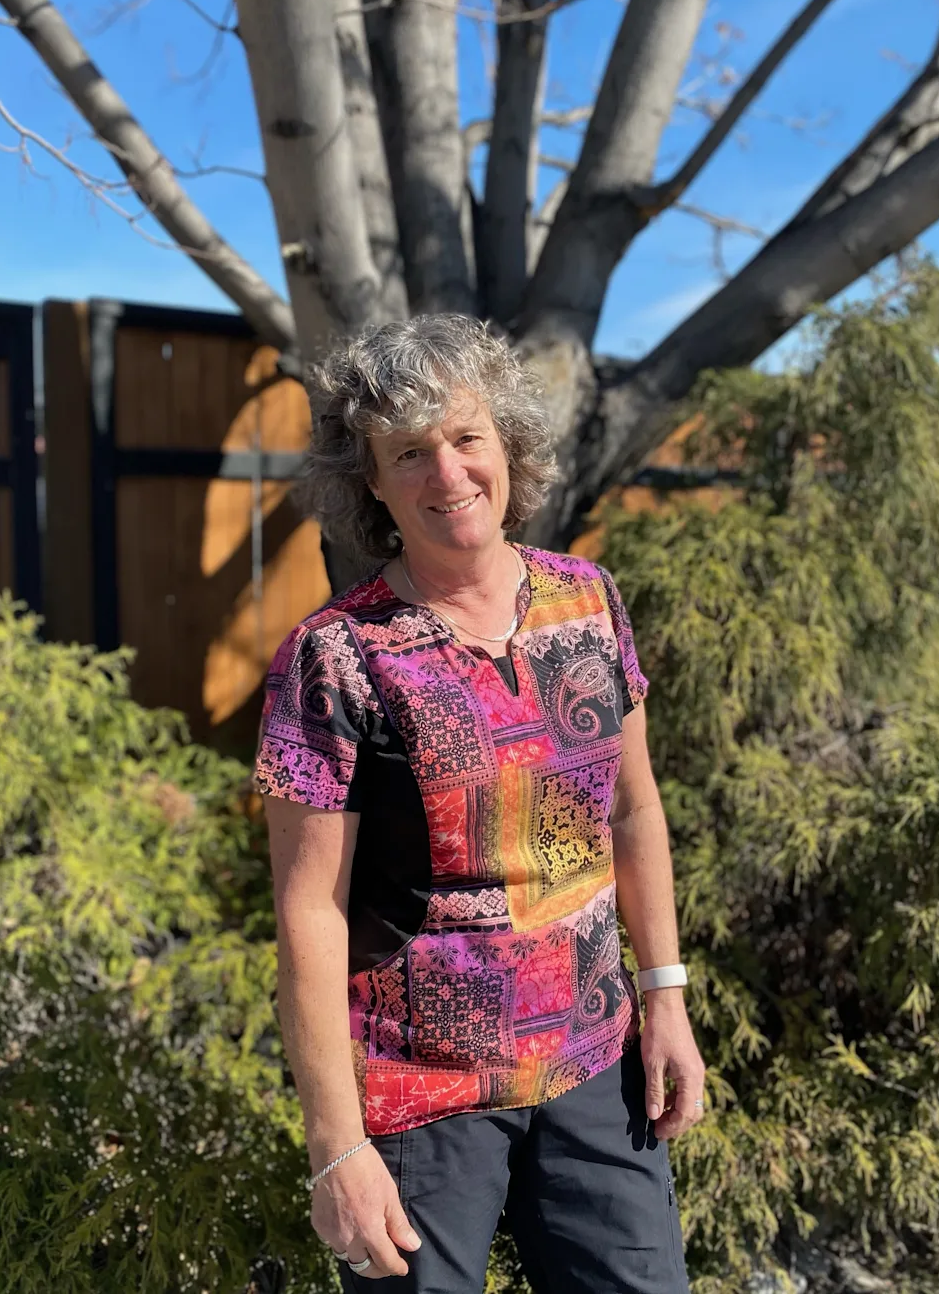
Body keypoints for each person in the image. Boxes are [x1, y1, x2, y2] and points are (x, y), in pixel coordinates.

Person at [255, 314, 706, 1292]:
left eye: (466, 438)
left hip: (595, 1060)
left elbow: (631, 811)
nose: (447, 472)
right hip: (422, 1094)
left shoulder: (588, 601)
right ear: (369, 479)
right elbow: (309, 909)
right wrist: (335, 1143)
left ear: (508, 446)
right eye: (408, 451)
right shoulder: (335, 655)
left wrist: (665, 994)